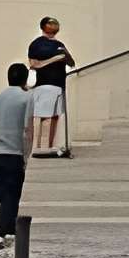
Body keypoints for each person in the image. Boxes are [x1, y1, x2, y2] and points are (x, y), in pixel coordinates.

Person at [0, 62, 33, 247]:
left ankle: (10, 229)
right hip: (13, 151)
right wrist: (26, 155)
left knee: (6, 190)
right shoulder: (27, 98)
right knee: (12, 192)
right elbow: (28, 129)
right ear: (25, 79)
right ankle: (0, 232)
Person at [25, 15, 75, 156]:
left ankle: (47, 148)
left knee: (53, 117)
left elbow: (71, 63)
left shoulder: (60, 45)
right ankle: (37, 148)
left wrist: (65, 56)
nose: (53, 28)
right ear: (43, 27)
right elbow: (34, 64)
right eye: (50, 25)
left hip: (59, 85)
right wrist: (55, 59)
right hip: (43, 85)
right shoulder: (36, 44)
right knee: (41, 117)